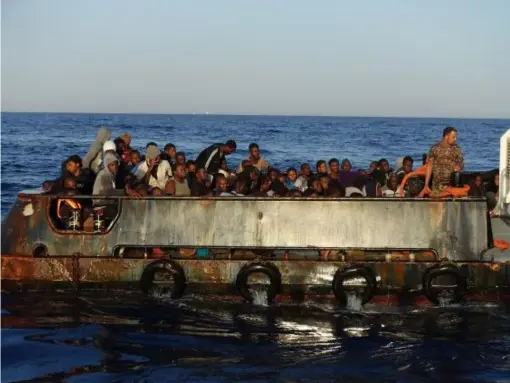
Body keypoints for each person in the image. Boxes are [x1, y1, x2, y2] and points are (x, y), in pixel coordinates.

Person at [421, 127, 464, 196]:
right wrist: (426, 185)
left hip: (451, 186)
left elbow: (461, 163)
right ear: (446, 136)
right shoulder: (435, 148)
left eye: (455, 137)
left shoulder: (456, 148)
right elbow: (429, 165)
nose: (455, 139)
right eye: (453, 137)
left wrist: (459, 167)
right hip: (437, 186)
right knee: (436, 205)